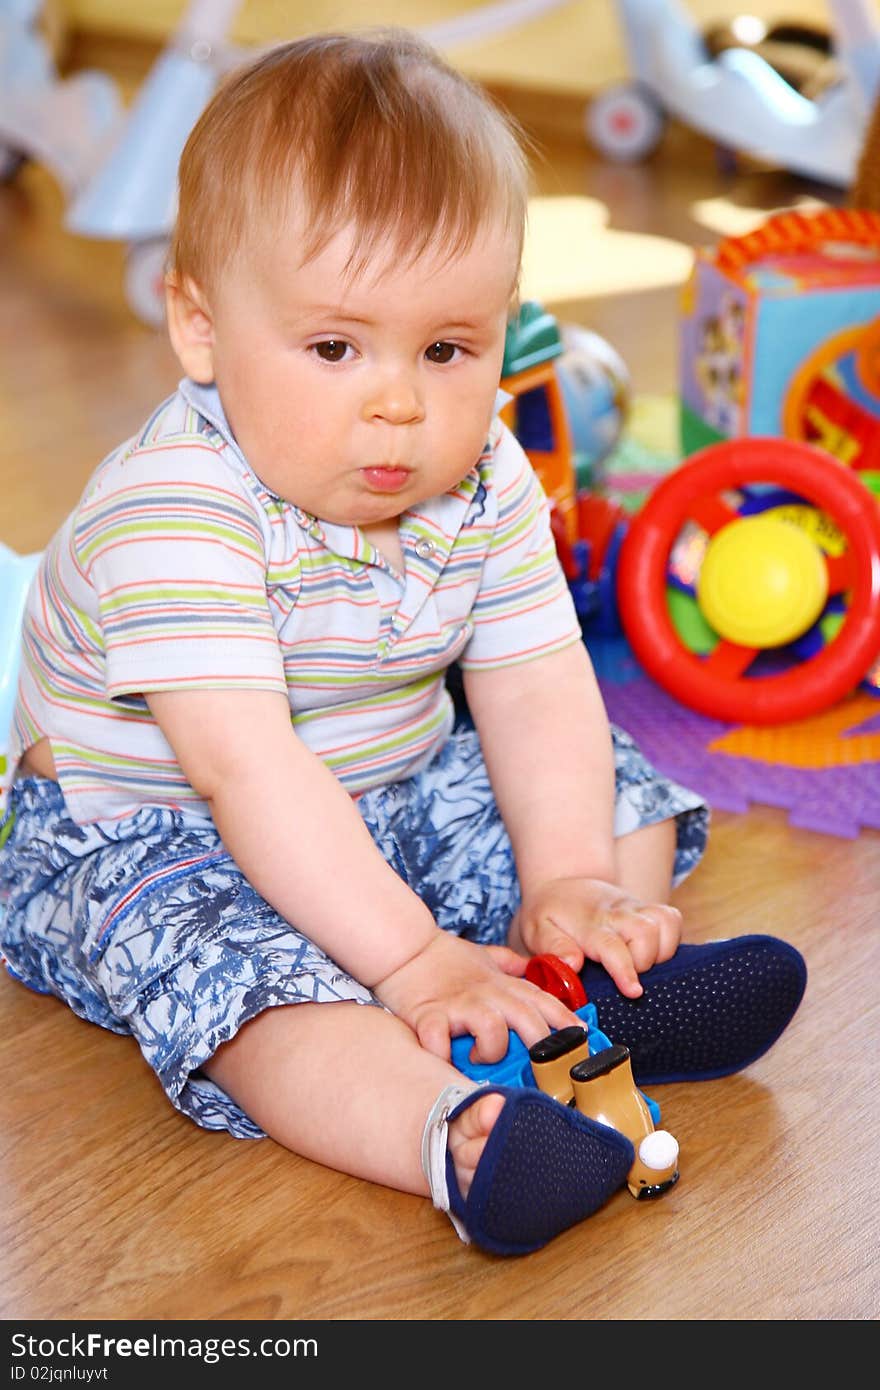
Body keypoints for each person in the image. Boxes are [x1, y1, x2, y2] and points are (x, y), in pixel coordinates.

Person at [0, 29, 806, 1257]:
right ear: (200, 327)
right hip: (157, 836)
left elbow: (534, 681)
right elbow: (250, 775)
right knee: (244, 988)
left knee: (619, 798)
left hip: (389, 781)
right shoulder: (171, 511)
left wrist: (568, 876)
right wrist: (417, 960)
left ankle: (581, 981)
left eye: (448, 348)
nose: (400, 402)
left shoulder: (482, 472)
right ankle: (457, 1128)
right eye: (335, 347)